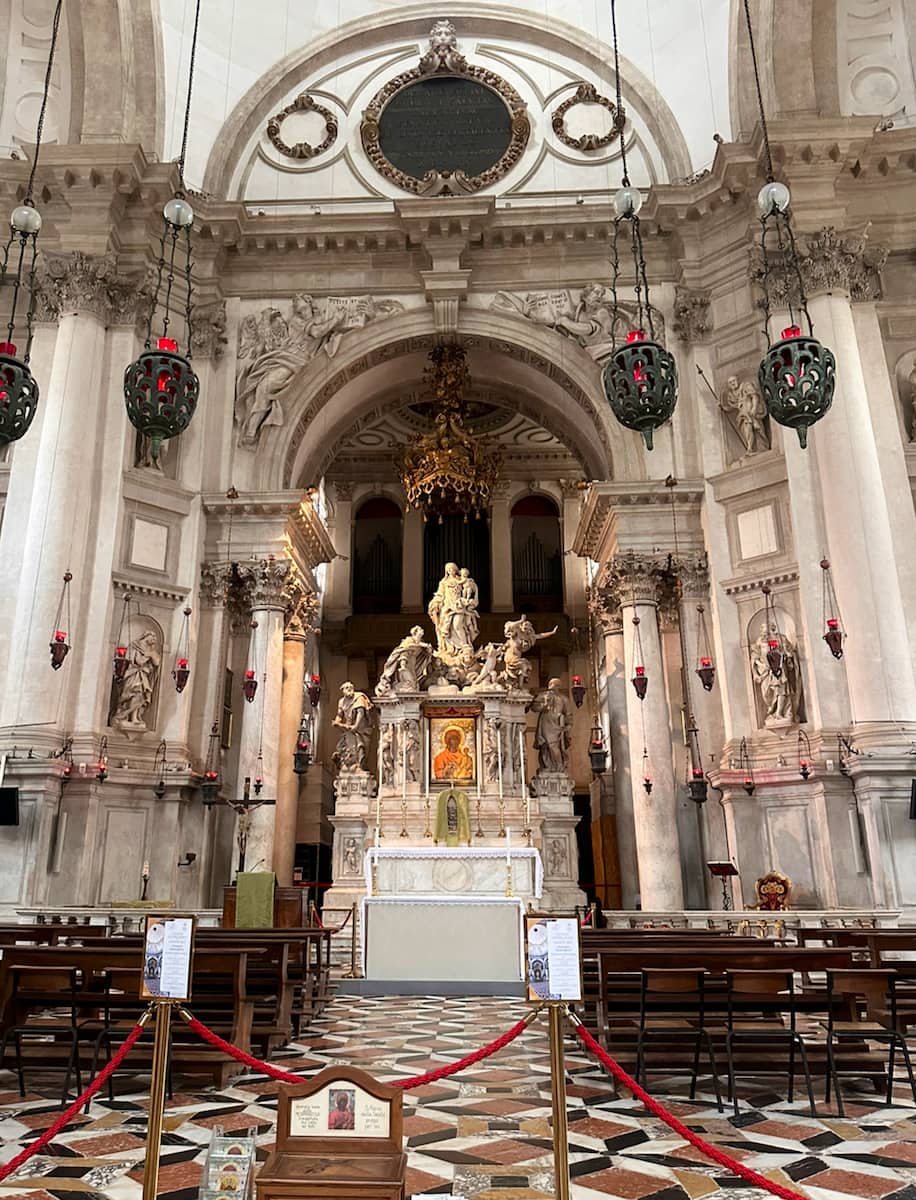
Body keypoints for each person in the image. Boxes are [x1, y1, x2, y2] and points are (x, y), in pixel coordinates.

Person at [533, 678, 573, 772]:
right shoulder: (543, 695)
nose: (553, 687)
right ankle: (547, 766)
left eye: (556, 685)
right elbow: (534, 707)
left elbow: (568, 714)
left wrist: (568, 725)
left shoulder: (563, 699)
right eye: (551, 684)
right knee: (544, 746)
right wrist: (543, 705)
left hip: (557, 725)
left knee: (554, 746)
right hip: (545, 723)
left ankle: (558, 767)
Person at [332, 682, 374, 770]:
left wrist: (356, 726)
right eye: (346, 688)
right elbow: (339, 715)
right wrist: (336, 722)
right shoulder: (341, 702)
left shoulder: (359, 698)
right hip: (349, 727)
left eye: (351, 687)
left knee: (360, 746)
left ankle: (359, 765)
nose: (349, 689)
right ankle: (348, 763)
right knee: (347, 745)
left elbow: (360, 713)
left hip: (362, 728)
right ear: (342, 690)